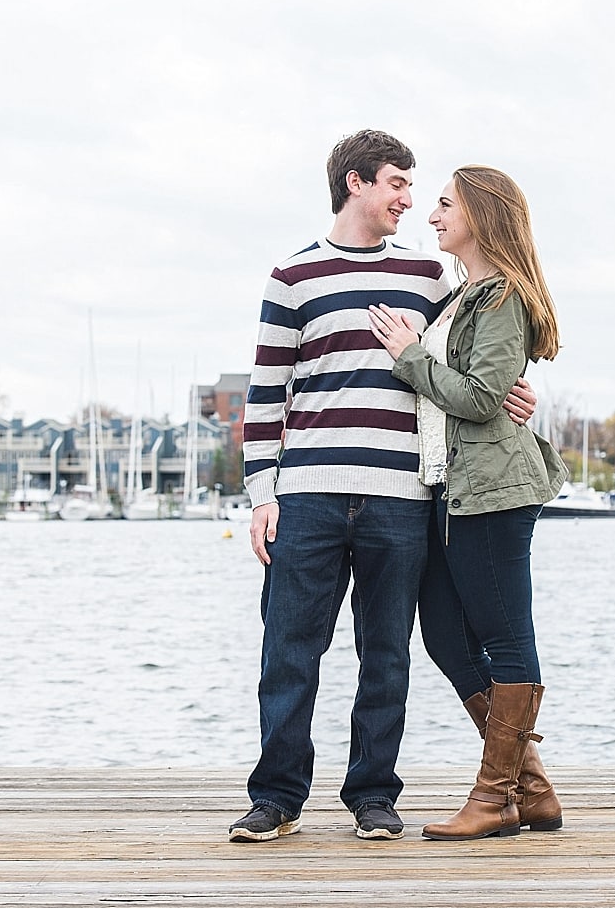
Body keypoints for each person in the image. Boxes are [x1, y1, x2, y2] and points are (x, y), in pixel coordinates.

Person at [232, 133, 536, 844]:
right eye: (398, 184)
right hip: (305, 494)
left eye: (415, 188)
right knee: (288, 651)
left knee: (387, 653)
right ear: (356, 183)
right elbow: (265, 395)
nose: (409, 200)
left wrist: (520, 394)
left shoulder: (431, 279)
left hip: (402, 497)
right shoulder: (292, 276)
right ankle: (275, 797)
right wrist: (261, 494)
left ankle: (374, 794)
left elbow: (473, 366)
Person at [367, 164, 569, 841]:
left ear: (480, 213)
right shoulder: (463, 294)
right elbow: (482, 388)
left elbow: (482, 399)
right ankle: (530, 785)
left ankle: (494, 797)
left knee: (505, 638)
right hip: (452, 489)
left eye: (445, 203)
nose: (431, 213)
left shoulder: (502, 295)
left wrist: (406, 354)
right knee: (446, 634)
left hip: (493, 492)